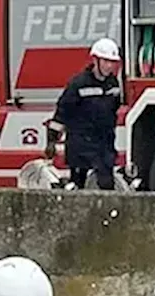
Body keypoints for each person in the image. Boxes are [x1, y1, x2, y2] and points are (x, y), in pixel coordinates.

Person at [46, 37, 122, 191]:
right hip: (81, 145)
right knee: (78, 188)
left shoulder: (113, 84)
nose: (110, 66)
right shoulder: (78, 84)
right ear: (95, 60)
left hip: (104, 144)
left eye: (112, 62)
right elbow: (62, 113)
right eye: (106, 61)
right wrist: (52, 141)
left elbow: (113, 109)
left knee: (107, 185)